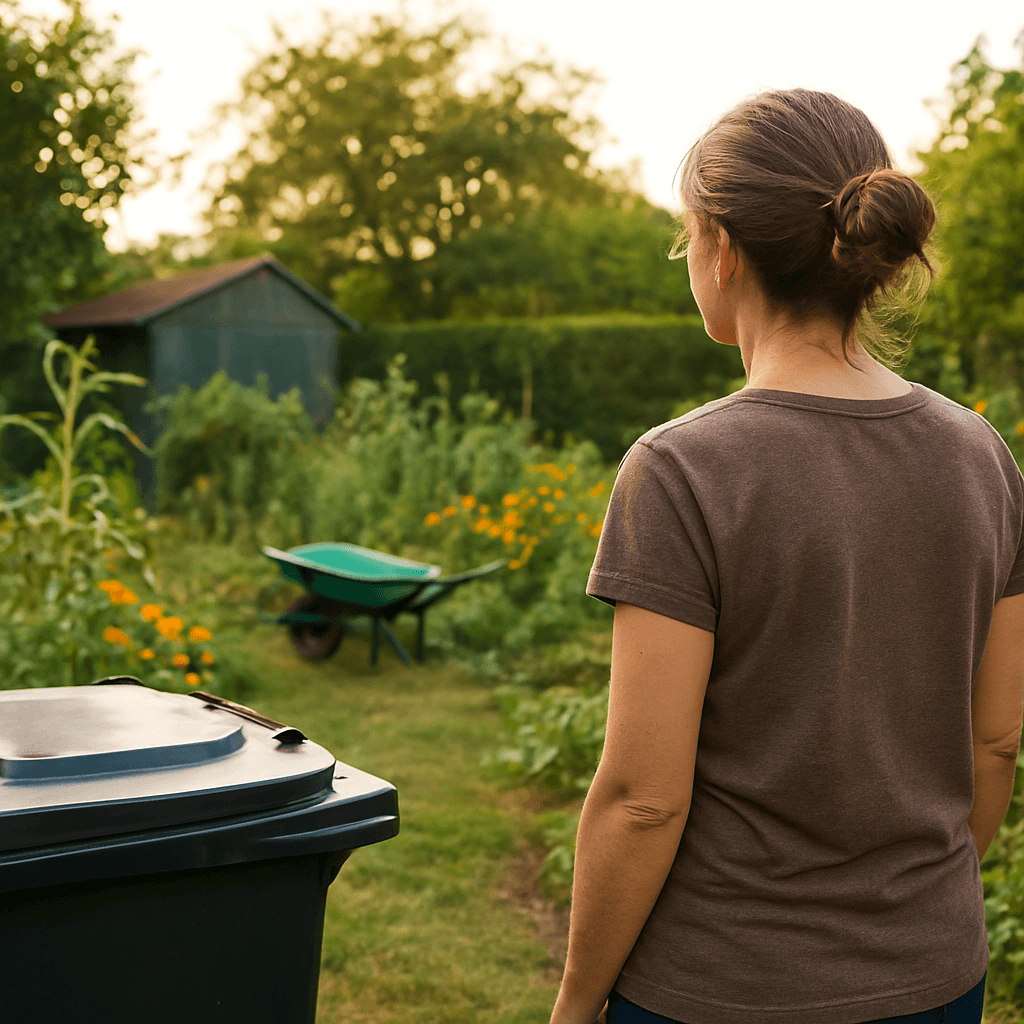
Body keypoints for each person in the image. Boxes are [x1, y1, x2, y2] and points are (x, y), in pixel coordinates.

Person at [549, 88, 1024, 1024]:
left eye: (688, 238)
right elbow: (998, 737)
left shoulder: (682, 468)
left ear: (723, 250)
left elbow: (644, 799)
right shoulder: (983, 454)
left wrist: (573, 1004)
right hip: (938, 979)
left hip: (721, 989)